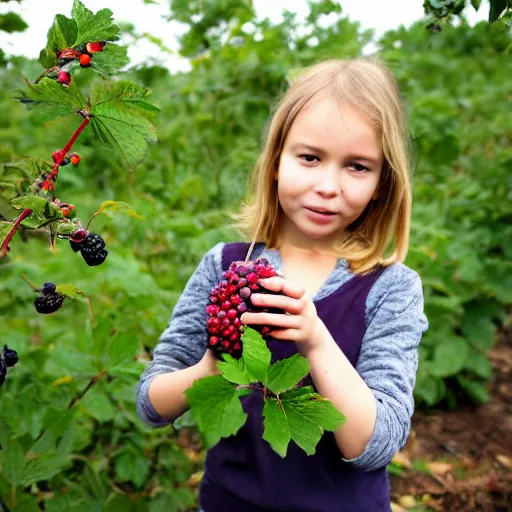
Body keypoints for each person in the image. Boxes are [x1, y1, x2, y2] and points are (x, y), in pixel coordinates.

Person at [136, 58, 428, 512]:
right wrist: (210, 368)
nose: (327, 186)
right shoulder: (226, 265)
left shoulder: (391, 288)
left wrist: (315, 341)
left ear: (382, 183)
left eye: (357, 166)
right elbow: (152, 403)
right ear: (276, 161)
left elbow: (376, 445)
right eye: (310, 158)